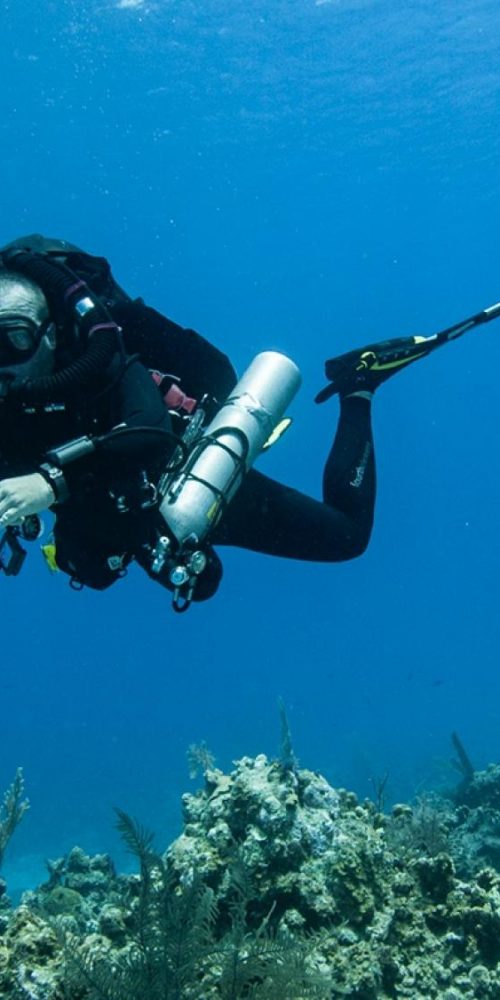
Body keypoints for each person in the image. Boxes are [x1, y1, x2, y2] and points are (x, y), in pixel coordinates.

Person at [0, 233, 453, 605]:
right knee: (143, 571)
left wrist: (50, 483)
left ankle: (358, 385)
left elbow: (151, 431)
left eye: (13, 339)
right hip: (115, 504)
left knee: (346, 537)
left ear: (51, 332)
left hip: (176, 468)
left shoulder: (101, 362)